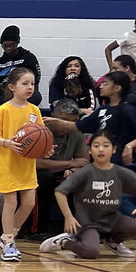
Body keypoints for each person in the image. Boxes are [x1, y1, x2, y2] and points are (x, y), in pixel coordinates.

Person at [39, 131, 136, 259]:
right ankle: (64, 242)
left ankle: (112, 242)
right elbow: (60, 192)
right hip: (88, 223)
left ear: (114, 149)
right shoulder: (85, 172)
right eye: (96, 146)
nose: (101, 149)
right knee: (90, 252)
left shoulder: (120, 172)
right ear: (90, 151)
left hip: (112, 219)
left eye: (106, 146)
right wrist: (68, 217)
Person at [0, 67, 41, 261]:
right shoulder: (4, 109)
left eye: (32, 84)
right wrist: (7, 142)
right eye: (25, 83)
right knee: (11, 202)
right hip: (6, 163)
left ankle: (7, 236)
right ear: (12, 86)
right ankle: (9, 243)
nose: (30, 87)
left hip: (26, 165)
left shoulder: (34, 111)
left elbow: (40, 137)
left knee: (29, 203)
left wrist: (46, 149)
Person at [44, 71, 136, 166]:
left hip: (119, 161)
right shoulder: (103, 109)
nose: (101, 86)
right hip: (101, 159)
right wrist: (57, 121)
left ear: (117, 88)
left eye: (105, 84)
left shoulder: (127, 110)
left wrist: (129, 146)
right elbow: (78, 125)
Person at [26, 98, 89, 240]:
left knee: (83, 179)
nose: (66, 125)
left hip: (64, 172)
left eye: (72, 121)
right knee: (44, 178)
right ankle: (36, 230)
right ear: (53, 115)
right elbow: (34, 163)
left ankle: (81, 229)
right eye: (63, 119)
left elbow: (84, 161)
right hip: (38, 173)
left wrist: (73, 171)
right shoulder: (38, 130)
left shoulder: (76, 131)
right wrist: (69, 164)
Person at [0, 25, 42, 108]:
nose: (8, 48)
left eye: (11, 45)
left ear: (17, 43)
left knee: (35, 96)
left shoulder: (28, 58)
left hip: (22, 90)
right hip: (3, 92)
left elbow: (35, 77)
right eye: (5, 46)